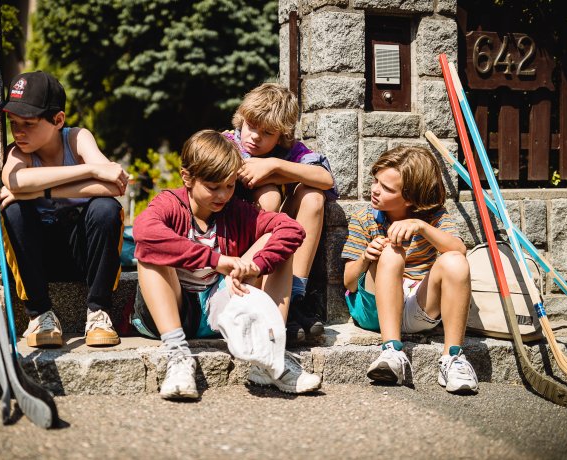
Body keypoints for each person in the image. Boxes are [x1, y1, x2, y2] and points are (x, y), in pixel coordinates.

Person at [131, 129, 322, 400]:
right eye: (213, 187)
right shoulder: (169, 204)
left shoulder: (235, 211)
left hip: (220, 308)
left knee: (276, 246)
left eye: (230, 186)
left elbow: (291, 229)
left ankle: (270, 355)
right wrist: (217, 260)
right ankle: (178, 357)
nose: (223, 195)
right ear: (187, 176)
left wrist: (256, 265)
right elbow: (144, 232)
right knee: (150, 252)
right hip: (171, 310)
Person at [0, 70, 127, 348]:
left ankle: (98, 312)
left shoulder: (77, 139)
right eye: (13, 122)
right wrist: (89, 174)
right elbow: (14, 180)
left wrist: (44, 191)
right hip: (38, 260)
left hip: (83, 254)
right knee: (14, 209)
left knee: (105, 208)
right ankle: (39, 314)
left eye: (28, 123)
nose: (18, 131)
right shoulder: (19, 152)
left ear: (58, 120)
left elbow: (114, 185)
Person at [341, 146, 479, 394]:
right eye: (376, 180)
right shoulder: (364, 218)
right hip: (375, 310)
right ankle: (392, 351)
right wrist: (365, 258)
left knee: (455, 260)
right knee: (392, 253)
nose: (374, 189)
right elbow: (349, 283)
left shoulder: (433, 218)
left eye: (387, 188)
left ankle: (453, 358)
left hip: (419, 307)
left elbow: (458, 249)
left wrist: (420, 226)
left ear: (410, 198)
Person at [224, 82, 339, 344]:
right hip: (238, 248)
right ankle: (266, 292)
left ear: (282, 135)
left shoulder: (289, 152)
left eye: (267, 133)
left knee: (313, 195)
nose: (254, 137)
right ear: (242, 119)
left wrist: (275, 165)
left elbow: (326, 179)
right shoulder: (227, 142)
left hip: (280, 241)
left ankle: (295, 295)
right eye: (252, 126)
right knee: (270, 196)